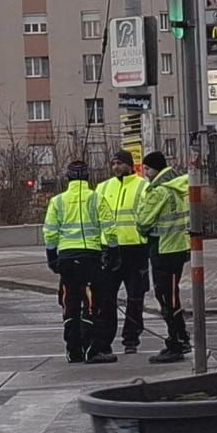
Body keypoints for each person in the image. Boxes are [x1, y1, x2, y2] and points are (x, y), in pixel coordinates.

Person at [42, 160, 104, 364]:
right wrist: (112, 252)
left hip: (67, 258)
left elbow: (50, 232)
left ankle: (73, 350)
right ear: (88, 177)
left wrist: (52, 257)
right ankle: (91, 350)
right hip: (91, 257)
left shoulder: (58, 201)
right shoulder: (96, 198)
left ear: (67, 178)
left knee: (70, 303)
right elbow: (109, 227)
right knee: (90, 302)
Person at [92, 150, 150, 358]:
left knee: (135, 297)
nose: (115, 167)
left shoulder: (143, 186)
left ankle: (131, 339)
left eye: (119, 163)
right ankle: (104, 342)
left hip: (136, 249)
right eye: (113, 163)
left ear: (130, 164)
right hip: (109, 249)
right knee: (106, 299)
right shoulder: (103, 187)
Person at [136, 151, 192, 363]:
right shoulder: (180, 187)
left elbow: (143, 221)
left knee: (166, 297)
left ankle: (176, 341)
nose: (146, 174)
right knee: (172, 294)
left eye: (147, 169)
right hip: (178, 247)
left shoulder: (159, 191)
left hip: (163, 248)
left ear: (155, 169)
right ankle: (180, 337)